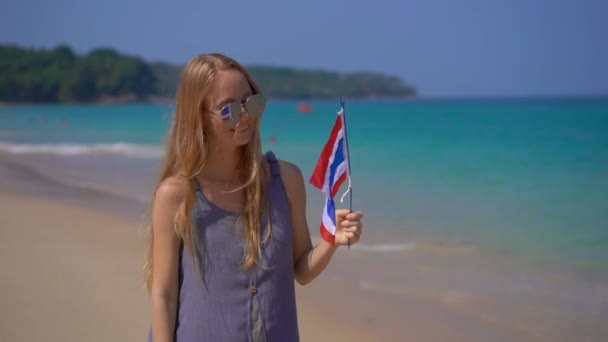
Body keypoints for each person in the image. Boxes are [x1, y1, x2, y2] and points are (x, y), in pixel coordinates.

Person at [143, 53, 364, 342]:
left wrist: (331, 240)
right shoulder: (177, 196)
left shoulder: (285, 180)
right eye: (228, 109)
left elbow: (301, 270)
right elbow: (164, 295)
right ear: (199, 117)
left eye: (250, 101)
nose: (245, 115)